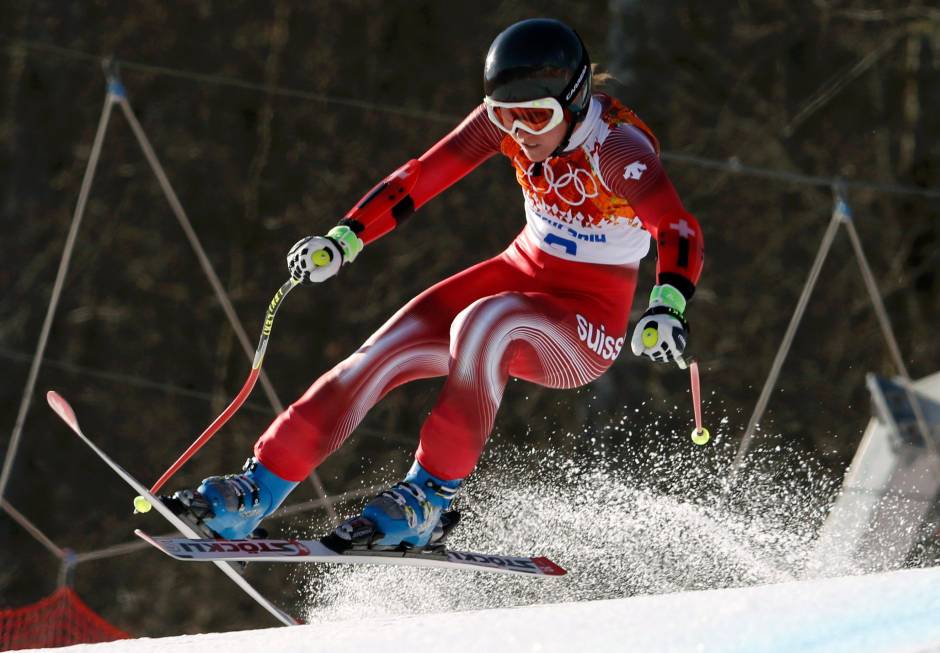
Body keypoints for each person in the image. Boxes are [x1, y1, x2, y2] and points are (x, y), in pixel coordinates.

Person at [167, 18, 704, 551]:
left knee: (484, 320)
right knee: (378, 354)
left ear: (577, 99)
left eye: (536, 117)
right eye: (505, 117)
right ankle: (258, 489)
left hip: (583, 327)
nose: (520, 133)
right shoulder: (509, 128)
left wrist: (667, 305)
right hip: (518, 271)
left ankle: (429, 498)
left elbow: (677, 227)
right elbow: (422, 175)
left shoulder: (617, 148)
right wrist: (344, 238)